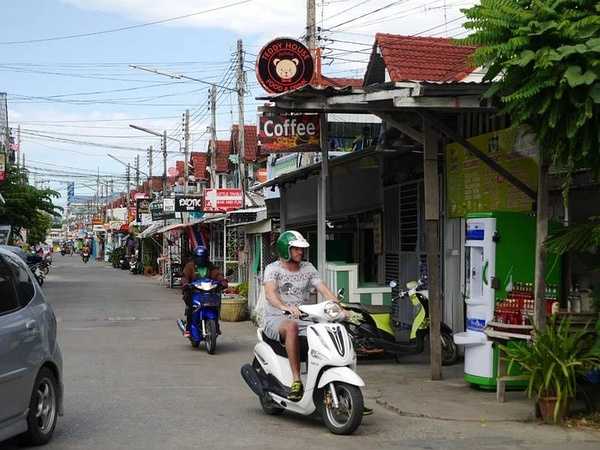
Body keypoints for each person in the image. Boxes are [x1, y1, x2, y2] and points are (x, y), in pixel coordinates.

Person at [263, 230, 343, 402]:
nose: (301, 252)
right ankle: (297, 380)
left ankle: (339, 386)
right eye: (297, 249)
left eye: (302, 249)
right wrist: (284, 307)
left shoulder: (308, 268)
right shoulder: (273, 269)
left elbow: (323, 289)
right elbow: (270, 293)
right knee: (292, 327)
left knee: (328, 331)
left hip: (303, 317)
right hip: (276, 318)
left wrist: (340, 308)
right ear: (286, 249)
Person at [181, 245, 227, 338]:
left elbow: (217, 274)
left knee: (216, 306)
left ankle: (216, 325)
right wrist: (186, 284)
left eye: (203, 257)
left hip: (208, 293)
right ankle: (188, 327)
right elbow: (185, 277)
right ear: (195, 257)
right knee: (191, 308)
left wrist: (222, 282)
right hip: (194, 293)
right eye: (199, 257)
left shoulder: (210, 266)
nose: (201, 259)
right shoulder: (190, 266)